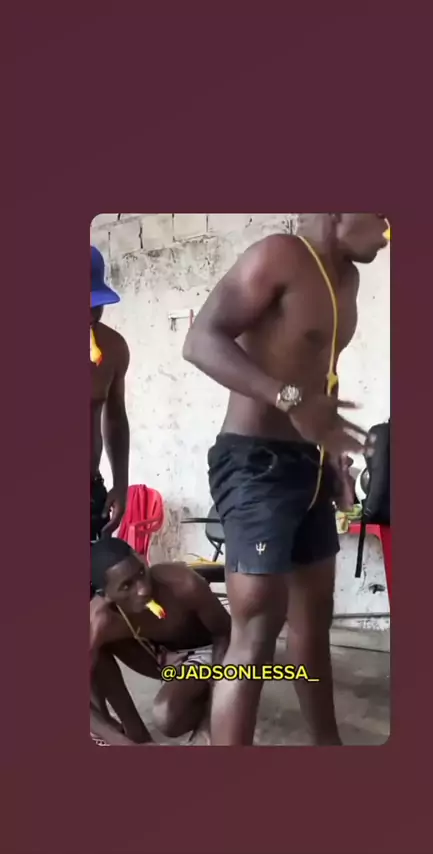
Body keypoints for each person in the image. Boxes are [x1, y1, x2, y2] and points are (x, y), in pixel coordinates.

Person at [183, 213, 388, 745]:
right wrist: (289, 399)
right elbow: (200, 341)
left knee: (314, 621)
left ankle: (328, 753)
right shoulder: (278, 256)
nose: (389, 232)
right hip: (254, 462)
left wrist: (332, 451)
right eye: (383, 216)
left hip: (310, 464)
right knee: (256, 632)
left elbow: (320, 372)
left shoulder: (347, 277)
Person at [90, 538, 231, 744]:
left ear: (141, 559)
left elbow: (225, 633)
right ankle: (136, 734)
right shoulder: (99, 620)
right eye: (126, 586)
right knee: (98, 647)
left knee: (168, 717)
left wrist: (212, 714)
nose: (143, 589)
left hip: (207, 650)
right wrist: (118, 740)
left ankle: (208, 705)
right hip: (161, 655)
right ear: (106, 595)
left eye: (141, 573)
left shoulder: (182, 584)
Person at [90, 246, 130, 544]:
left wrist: (121, 484)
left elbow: (115, 418)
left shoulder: (113, 348)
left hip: (90, 490)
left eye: (96, 304)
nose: (92, 314)